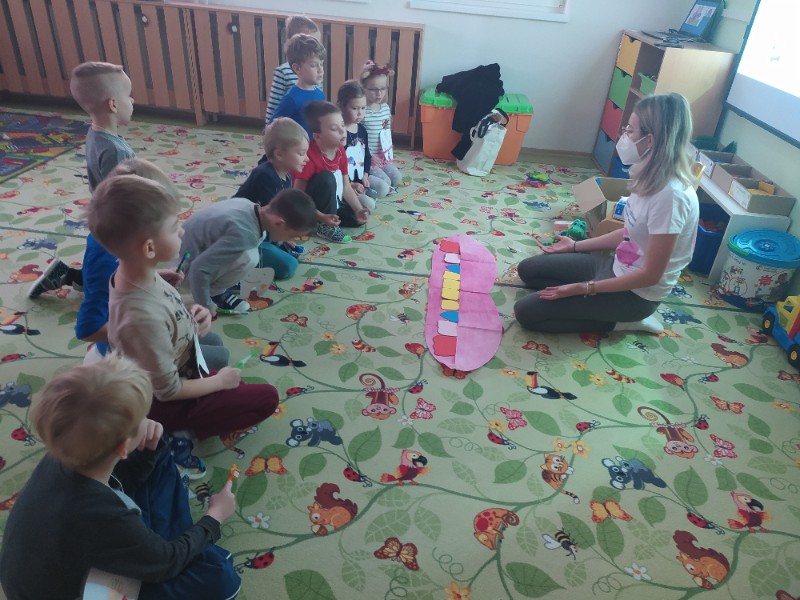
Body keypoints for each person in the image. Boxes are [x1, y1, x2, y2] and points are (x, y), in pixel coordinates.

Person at [0, 353, 240, 600]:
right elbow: (166, 563)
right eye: (142, 417)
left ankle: (173, 546)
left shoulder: (66, 451)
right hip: (76, 589)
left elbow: (124, 478)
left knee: (157, 455)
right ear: (123, 447)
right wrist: (214, 517)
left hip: (56, 558)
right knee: (221, 579)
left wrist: (147, 448)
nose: (148, 420)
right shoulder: (101, 514)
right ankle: (181, 548)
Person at [87, 173, 280, 477]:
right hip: (162, 402)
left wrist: (189, 311)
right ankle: (172, 433)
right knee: (267, 397)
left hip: (174, 362)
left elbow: (158, 317)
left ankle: (189, 412)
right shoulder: (142, 316)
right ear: (149, 248)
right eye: (175, 227)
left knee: (216, 345)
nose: (183, 231)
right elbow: (168, 390)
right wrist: (219, 382)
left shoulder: (134, 274)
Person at [514, 93, 699, 334]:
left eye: (630, 131)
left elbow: (651, 275)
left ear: (650, 140)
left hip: (636, 295)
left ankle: (622, 322)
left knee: (526, 313)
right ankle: (589, 304)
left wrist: (584, 288)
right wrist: (574, 246)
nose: (624, 136)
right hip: (615, 267)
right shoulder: (649, 175)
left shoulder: (670, 197)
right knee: (528, 270)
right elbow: (629, 232)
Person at [29, 61, 136, 299]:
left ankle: (65, 275)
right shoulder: (115, 151)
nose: (132, 100)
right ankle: (76, 279)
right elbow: (121, 196)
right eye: (129, 95)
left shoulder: (96, 132)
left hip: (101, 217)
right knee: (108, 280)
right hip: (114, 224)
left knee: (103, 269)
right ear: (113, 104)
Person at [75, 159, 186, 360]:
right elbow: (88, 329)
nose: (181, 230)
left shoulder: (122, 245)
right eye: (169, 222)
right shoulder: (106, 262)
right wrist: (141, 331)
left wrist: (155, 276)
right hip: (126, 354)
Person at [180, 189, 317, 314]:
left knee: (255, 246)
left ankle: (219, 283)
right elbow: (199, 268)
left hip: (184, 252)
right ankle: (216, 294)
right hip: (180, 271)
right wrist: (206, 305)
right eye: (292, 236)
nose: (292, 240)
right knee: (250, 257)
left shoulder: (249, 205)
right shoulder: (243, 234)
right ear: (279, 223)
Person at [235, 118, 310, 280]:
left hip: (261, 232)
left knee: (290, 253)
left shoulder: (286, 175)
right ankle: (237, 264)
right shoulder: (265, 175)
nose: (307, 159)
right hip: (243, 237)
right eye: (301, 153)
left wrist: (284, 236)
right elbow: (270, 219)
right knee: (288, 266)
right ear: (279, 154)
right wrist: (281, 237)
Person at [293, 101, 371, 243]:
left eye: (342, 125)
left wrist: (358, 209)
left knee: (356, 218)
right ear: (317, 136)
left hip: (331, 202)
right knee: (327, 178)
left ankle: (326, 219)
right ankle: (324, 225)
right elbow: (298, 196)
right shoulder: (309, 157)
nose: (342, 131)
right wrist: (320, 216)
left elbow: (346, 186)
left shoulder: (340, 151)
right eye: (334, 128)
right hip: (308, 206)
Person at [265, 15, 321, 123]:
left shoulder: (318, 70)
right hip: (291, 128)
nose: (316, 47)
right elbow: (273, 108)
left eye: (317, 42)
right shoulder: (283, 72)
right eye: (310, 43)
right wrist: (270, 129)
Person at [268, 33, 326, 136]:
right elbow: (272, 127)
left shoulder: (320, 95)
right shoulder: (291, 99)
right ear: (297, 68)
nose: (320, 70)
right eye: (313, 65)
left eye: (321, 64)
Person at [360, 60, 404, 192]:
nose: (379, 94)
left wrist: (388, 152)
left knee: (397, 178)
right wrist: (368, 156)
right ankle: (363, 184)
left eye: (383, 89)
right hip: (368, 159)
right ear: (363, 88)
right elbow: (357, 139)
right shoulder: (362, 111)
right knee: (385, 184)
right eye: (374, 89)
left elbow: (386, 132)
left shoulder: (385, 108)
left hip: (382, 157)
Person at [337, 80, 380, 207]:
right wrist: (350, 185)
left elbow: (367, 156)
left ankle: (362, 195)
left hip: (361, 178)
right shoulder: (339, 133)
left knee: (383, 188)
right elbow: (335, 167)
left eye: (363, 108)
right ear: (342, 107)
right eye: (355, 108)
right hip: (345, 183)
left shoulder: (362, 130)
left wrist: (365, 176)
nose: (360, 113)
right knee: (369, 205)